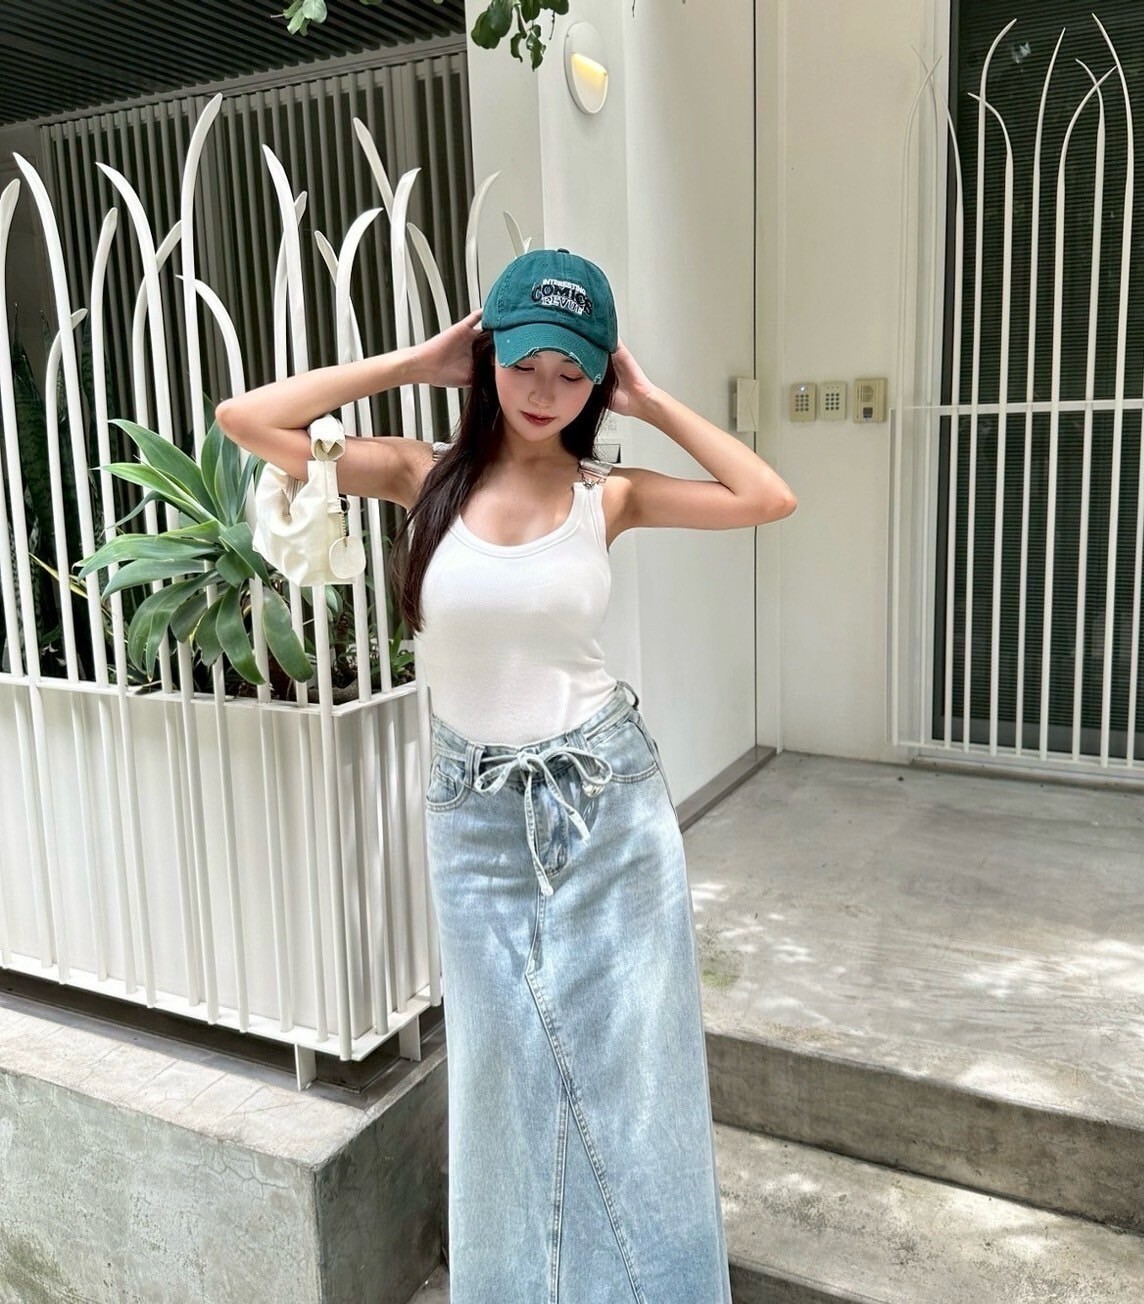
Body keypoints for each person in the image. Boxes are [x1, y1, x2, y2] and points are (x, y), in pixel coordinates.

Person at [216, 247, 796, 1302]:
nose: (544, 391)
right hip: (474, 820)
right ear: (488, 357)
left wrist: (651, 399)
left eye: (571, 373)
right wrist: (416, 362)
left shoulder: (607, 494)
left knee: (639, 1079)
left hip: (608, 808)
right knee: (500, 1080)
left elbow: (766, 496)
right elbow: (245, 419)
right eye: (524, 362)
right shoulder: (419, 473)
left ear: (597, 380)